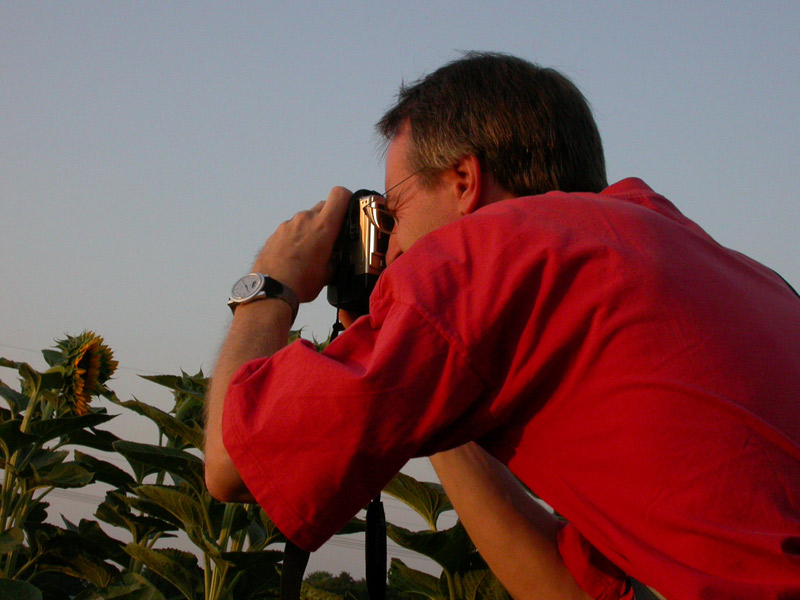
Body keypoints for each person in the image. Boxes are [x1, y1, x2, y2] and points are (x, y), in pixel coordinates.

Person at [204, 52, 800, 599]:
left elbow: (230, 464)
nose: (389, 248)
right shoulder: (693, 253)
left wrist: (269, 283)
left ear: (464, 181)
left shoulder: (484, 253)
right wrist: (421, 401)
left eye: (393, 210)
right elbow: (566, 590)